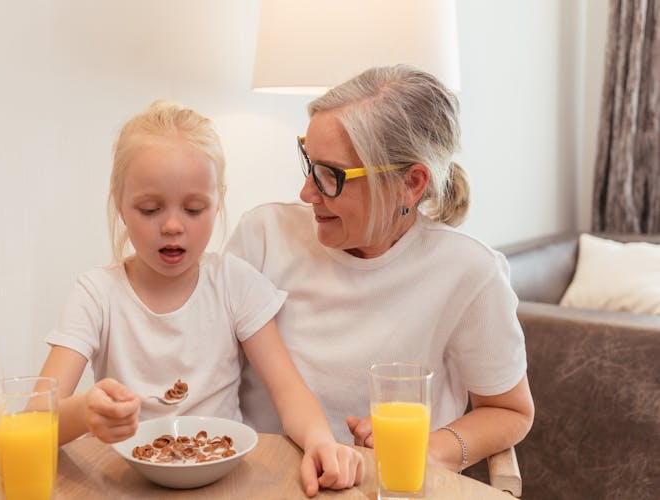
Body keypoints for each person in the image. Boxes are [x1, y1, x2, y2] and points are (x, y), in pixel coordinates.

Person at [38, 100, 364, 496]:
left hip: (226, 483)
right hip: (124, 485)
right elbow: (31, 422)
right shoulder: (96, 295)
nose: (173, 226)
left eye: (194, 209)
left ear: (217, 203)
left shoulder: (234, 283)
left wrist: (321, 442)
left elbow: (290, 393)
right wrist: (83, 413)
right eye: (150, 208)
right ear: (121, 206)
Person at [226, 65, 535, 473]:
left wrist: (431, 448)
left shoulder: (469, 273)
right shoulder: (262, 237)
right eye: (309, 163)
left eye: (330, 176)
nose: (306, 192)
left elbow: (510, 412)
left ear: (411, 183)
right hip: (259, 482)